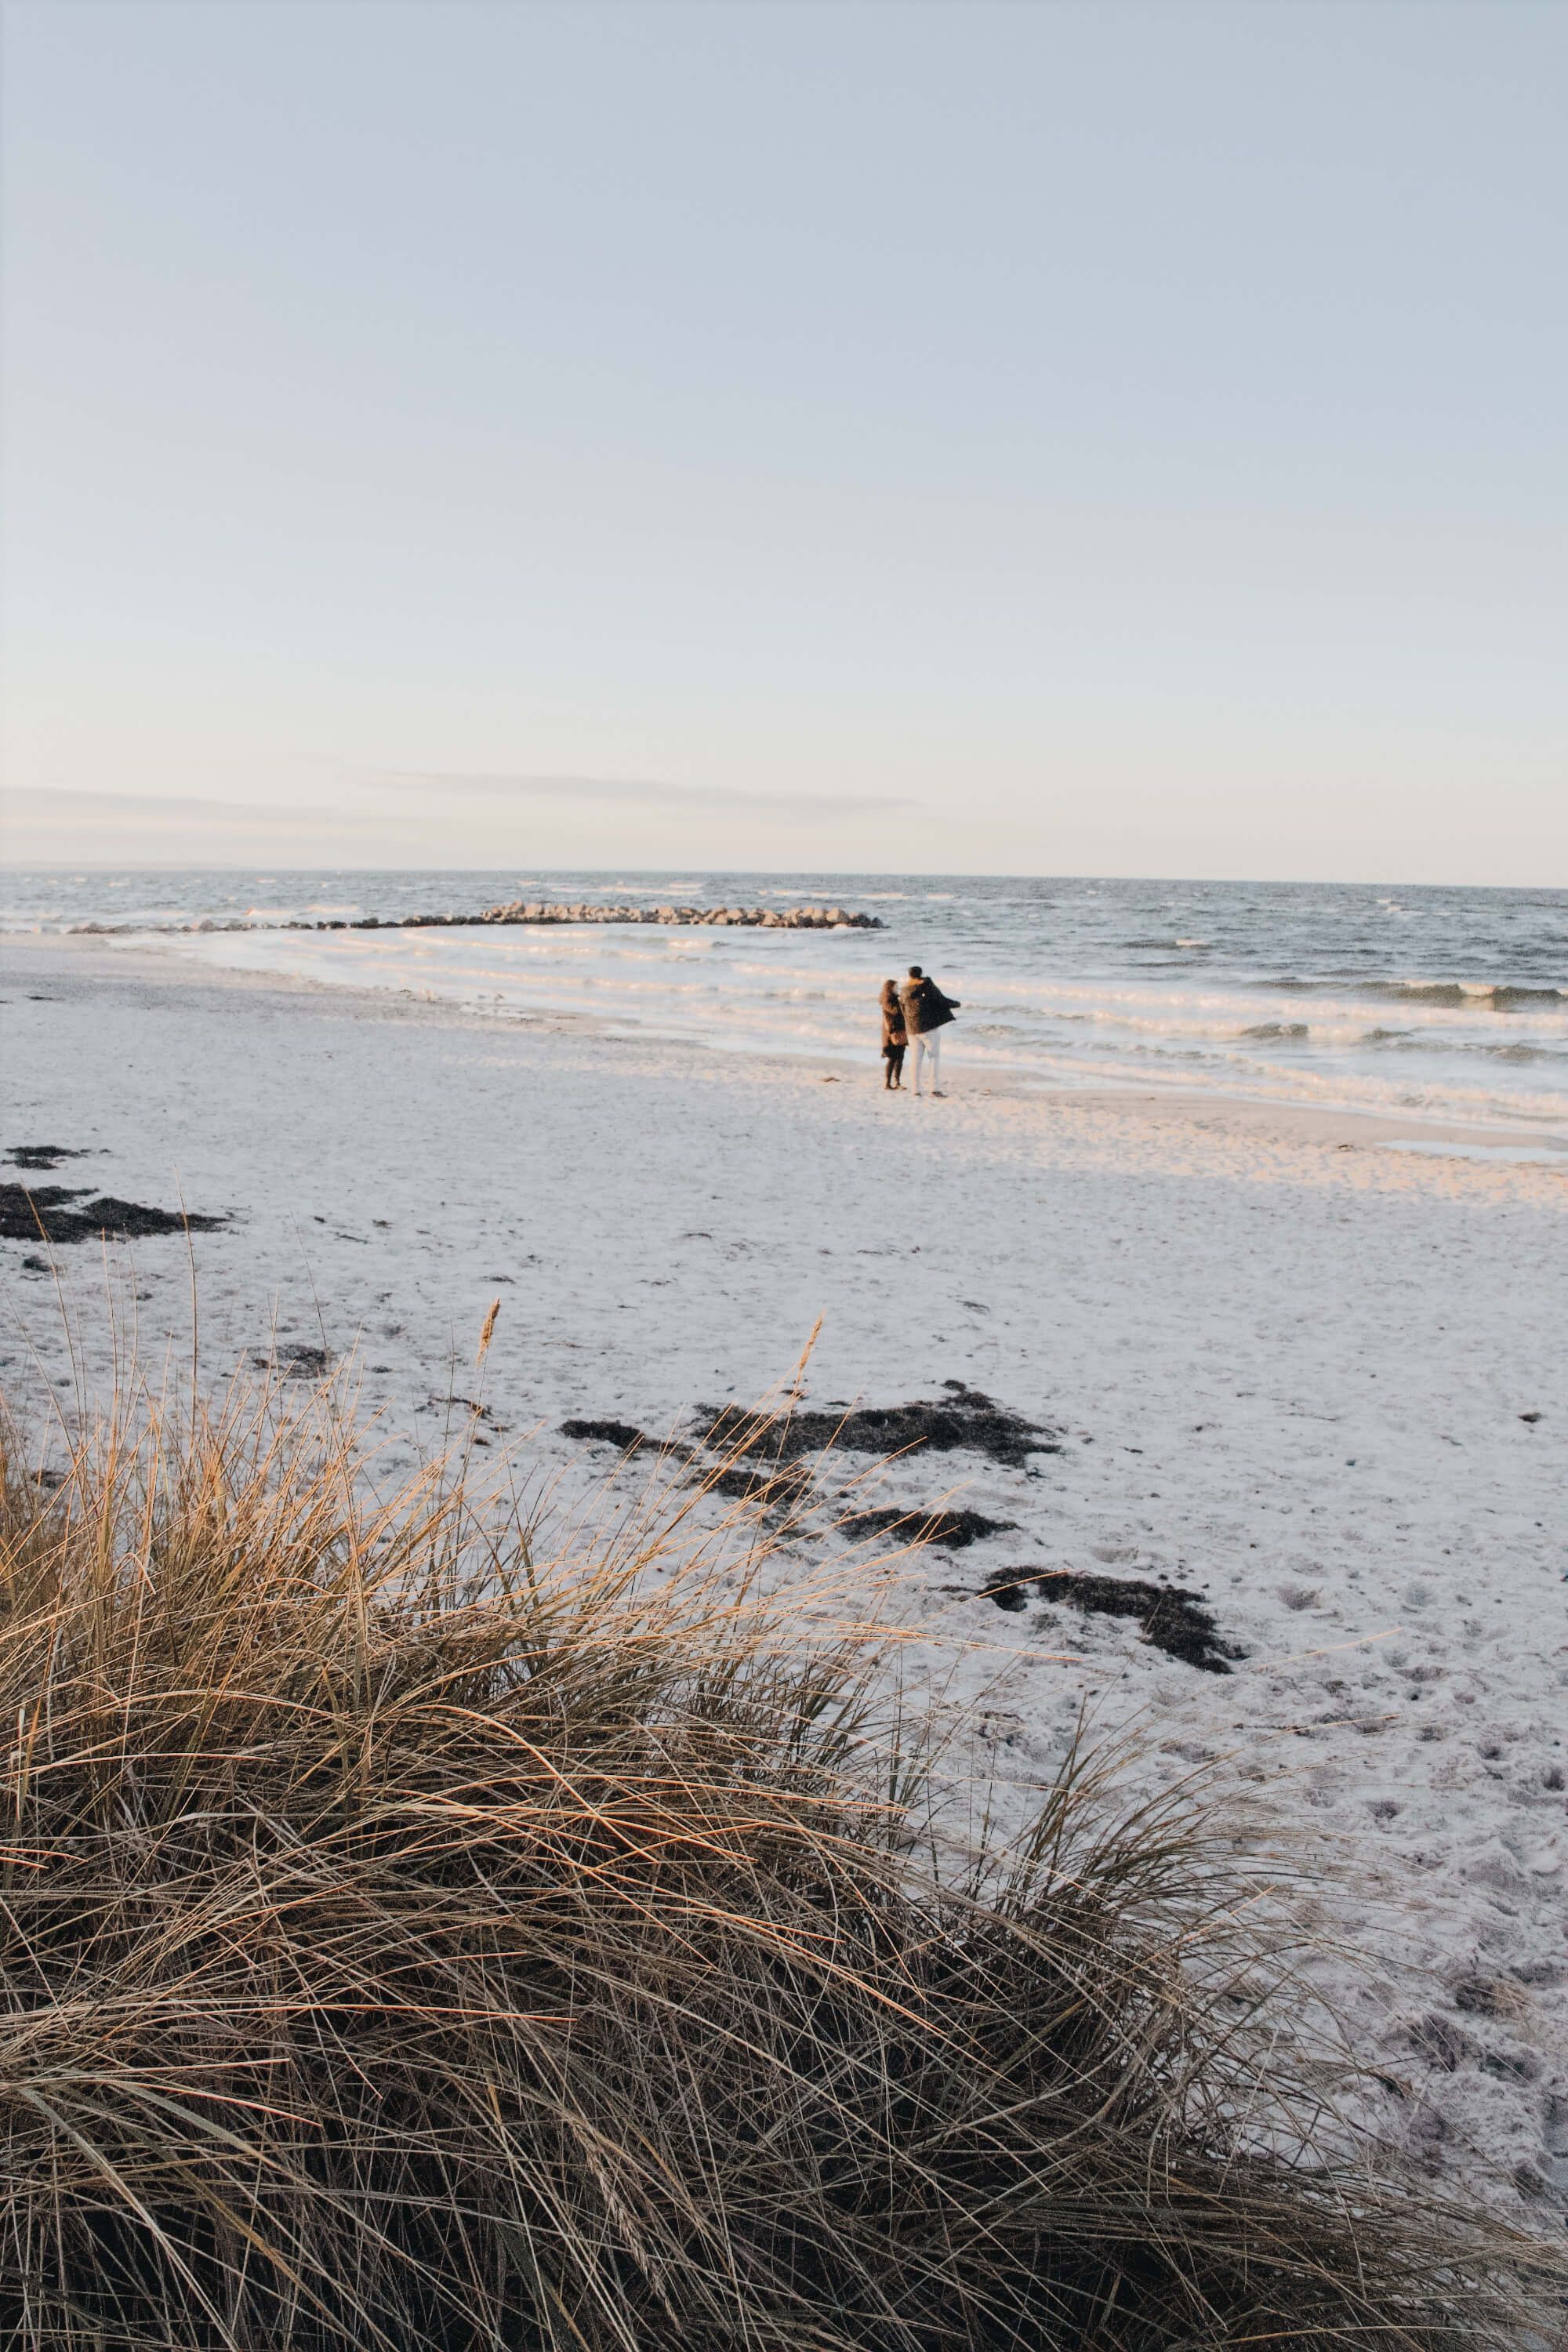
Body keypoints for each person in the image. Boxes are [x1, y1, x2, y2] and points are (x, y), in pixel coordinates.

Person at [898, 964, 960, 1097]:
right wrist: (956, 1004)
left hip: (911, 1029)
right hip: (928, 1027)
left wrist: (908, 1026)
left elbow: (903, 1010)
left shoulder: (903, 990)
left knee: (915, 1060)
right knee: (933, 1057)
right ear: (921, 974)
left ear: (909, 975)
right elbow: (941, 1000)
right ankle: (934, 1089)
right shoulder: (926, 985)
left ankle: (915, 1090)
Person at [878, 979, 906, 1089]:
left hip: (897, 1031)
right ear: (890, 988)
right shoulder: (887, 1000)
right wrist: (903, 1002)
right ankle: (888, 1083)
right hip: (892, 1033)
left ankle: (897, 1082)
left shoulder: (893, 998)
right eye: (895, 987)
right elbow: (896, 1011)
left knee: (899, 1058)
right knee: (893, 1059)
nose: (897, 989)